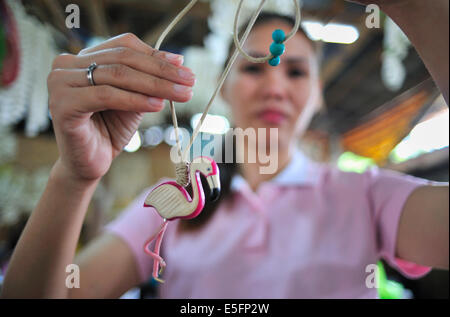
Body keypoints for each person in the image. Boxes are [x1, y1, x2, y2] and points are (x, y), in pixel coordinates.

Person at [1, 0, 448, 299]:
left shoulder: (368, 195)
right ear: (224, 89)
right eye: (254, 69)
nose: (274, 86)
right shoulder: (174, 201)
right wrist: (74, 176)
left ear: (317, 96)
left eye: (296, 73)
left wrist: (422, 9)